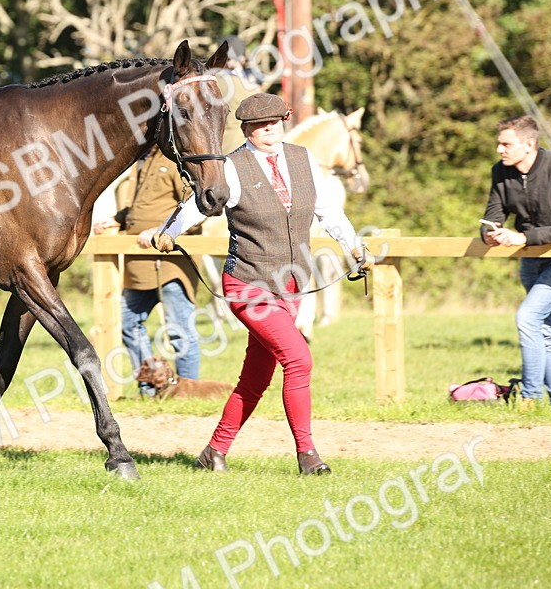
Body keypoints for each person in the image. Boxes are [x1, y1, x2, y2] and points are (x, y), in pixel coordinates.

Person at [151, 93, 370, 476]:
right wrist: (170, 230)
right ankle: (308, 455)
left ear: (283, 122)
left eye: (274, 122)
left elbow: (328, 211)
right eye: (258, 125)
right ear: (247, 129)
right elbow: (202, 202)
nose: (268, 130)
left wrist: (354, 245)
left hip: (292, 285)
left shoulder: (303, 160)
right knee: (299, 360)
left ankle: (214, 451)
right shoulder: (231, 167)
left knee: (255, 380)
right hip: (247, 284)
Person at [480, 115, 551, 410]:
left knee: (527, 318)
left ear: (529, 145)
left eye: (506, 144)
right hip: (530, 256)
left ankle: (530, 397)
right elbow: (493, 214)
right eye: (499, 144)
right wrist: (489, 232)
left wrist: (523, 238)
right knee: (546, 329)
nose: (500, 150)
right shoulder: (500, 172)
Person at [92, 145, 202, 397]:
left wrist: (161, 230)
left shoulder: (176, 161)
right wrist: (117, 219)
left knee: (179, 330)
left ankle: (186, 390)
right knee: (129, 322)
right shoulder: (141, 158)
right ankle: (151, 387)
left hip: (170, 264)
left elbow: (196, 206)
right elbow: (142, 205)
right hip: (139, 264)